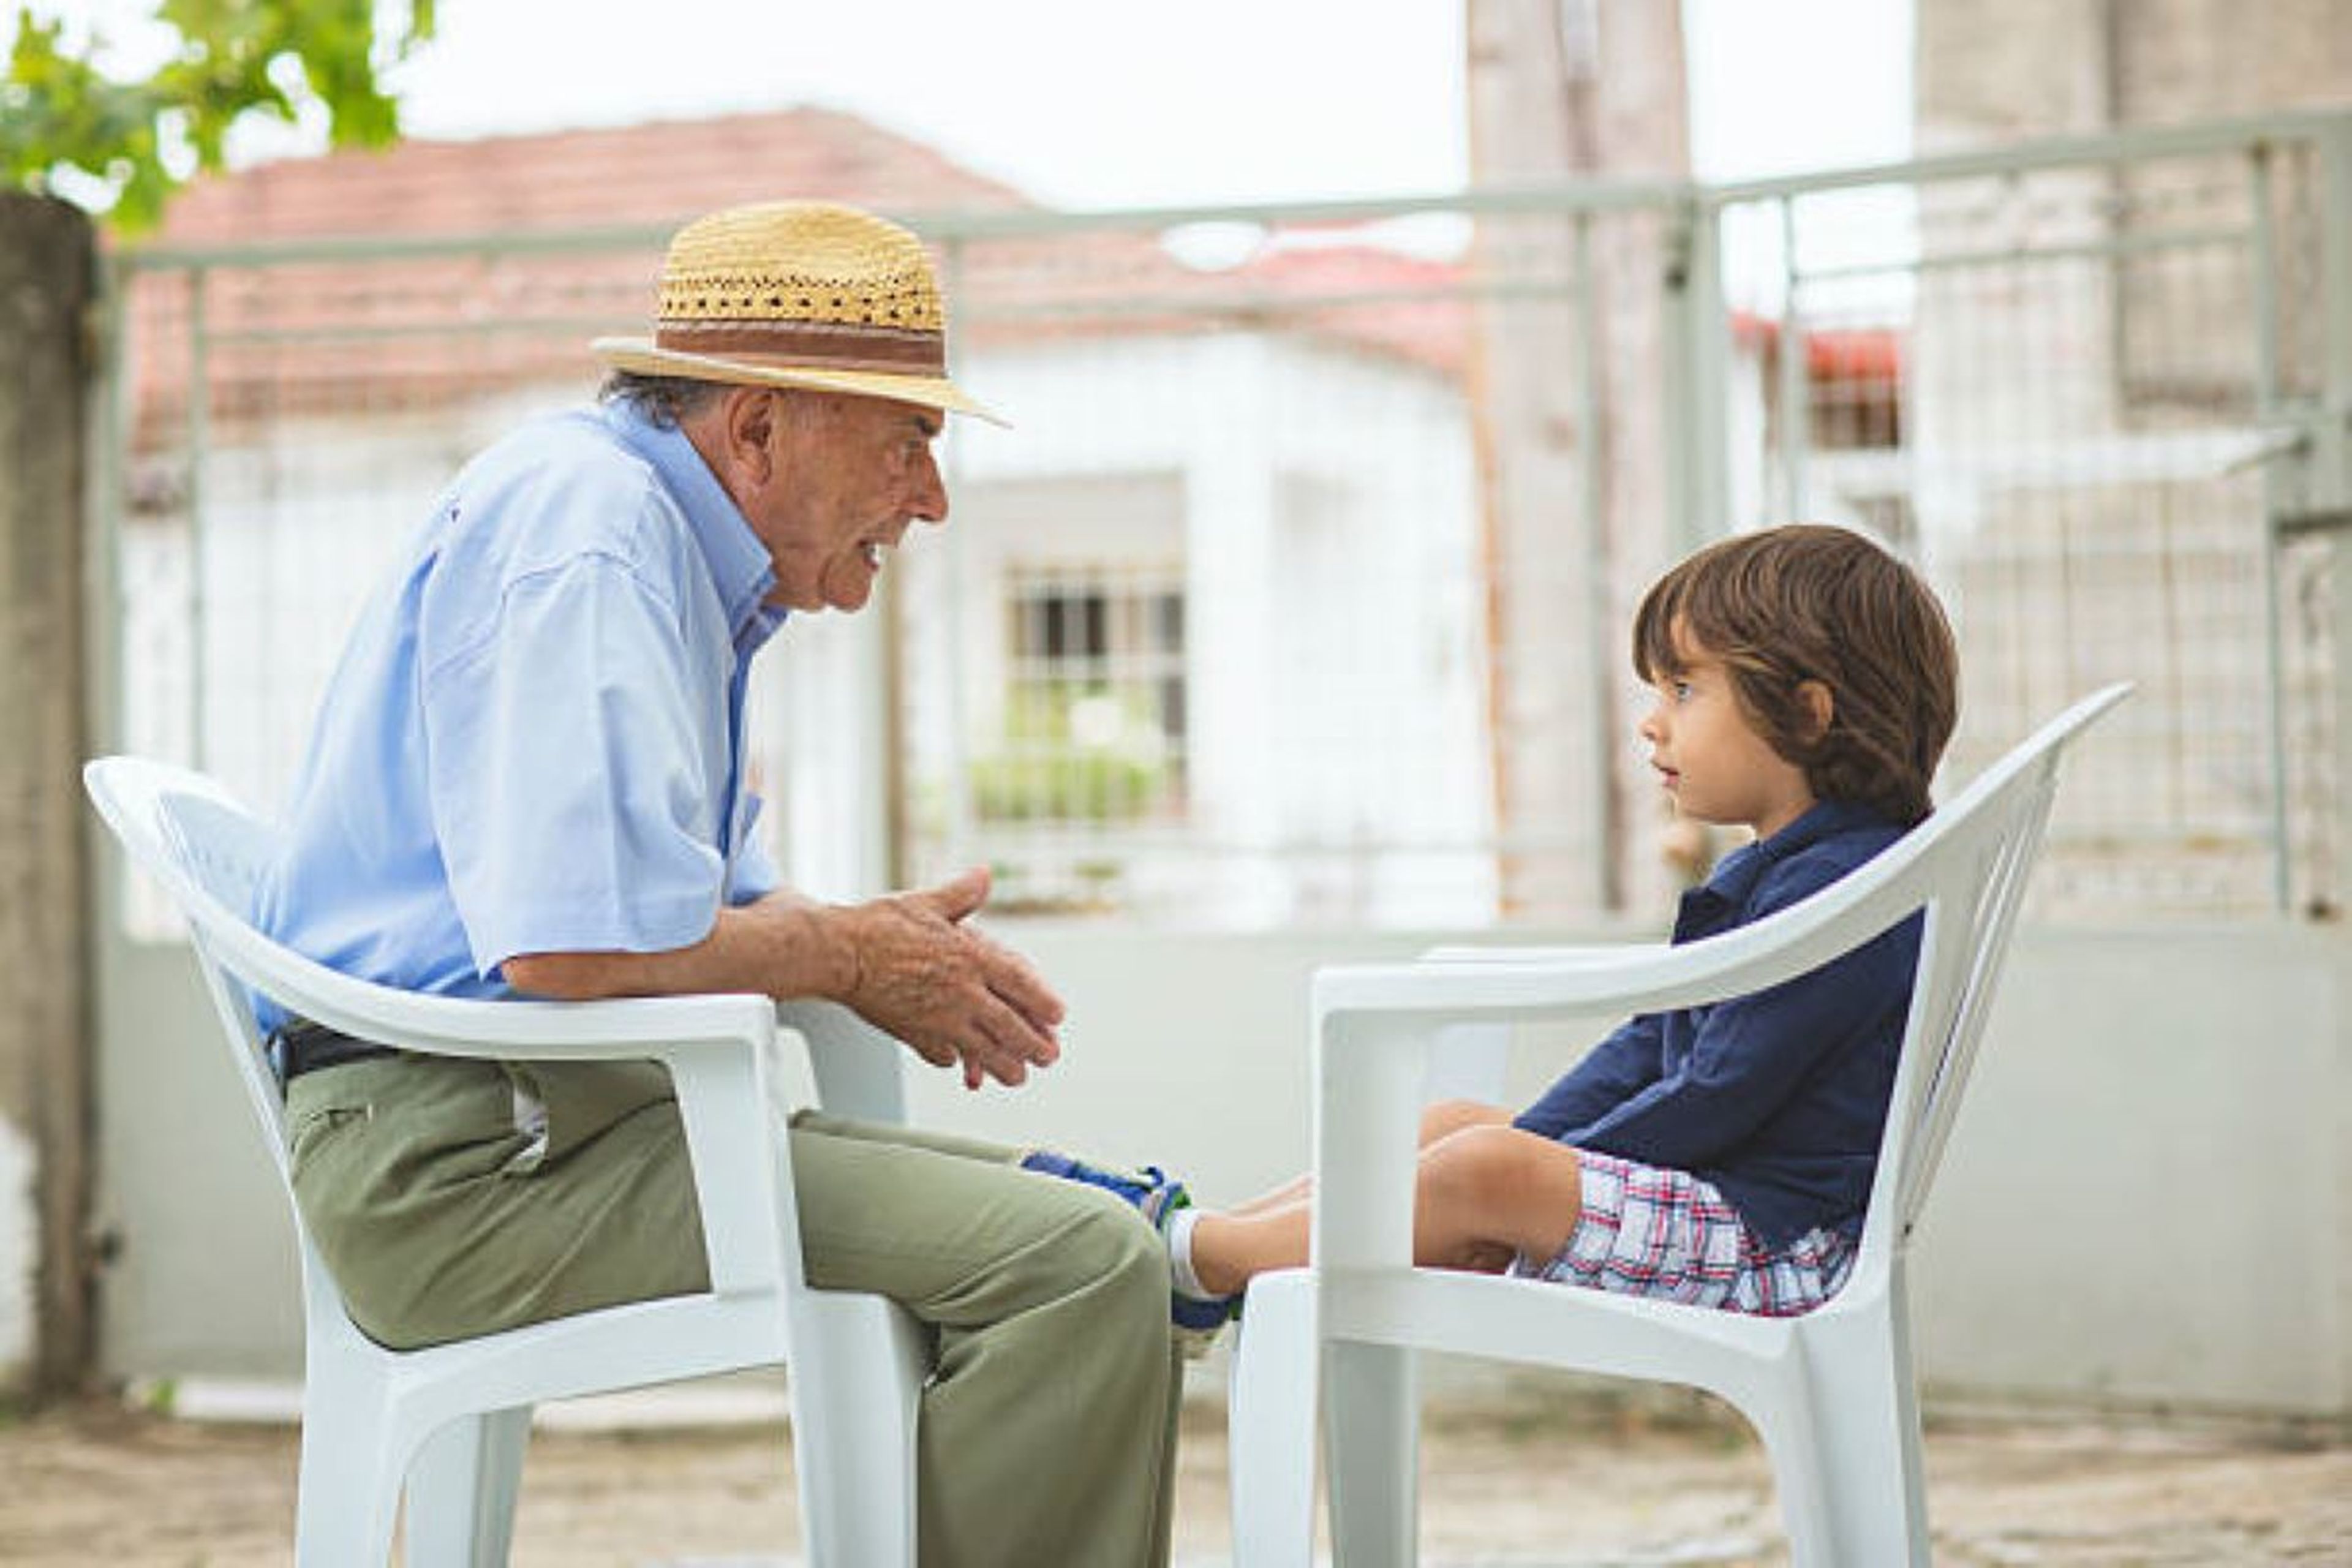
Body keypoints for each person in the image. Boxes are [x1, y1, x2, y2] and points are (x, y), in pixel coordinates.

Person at [254, 200, 1185, 1567]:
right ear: (757, 429)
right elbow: (572, 950)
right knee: (1079, 1267)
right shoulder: (595, 531)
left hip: (562, 1125)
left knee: (1109, 1226)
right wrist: (849, 956)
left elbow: (703, 916)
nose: (930, 496)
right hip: (472, 1166)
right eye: (909, 437)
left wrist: (861, 946)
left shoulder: (657, 542)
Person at [1029, 524, 1960, 1329]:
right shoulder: (1794, 870)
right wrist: (1540, 1159)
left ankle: (1206, 1257)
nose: (1652, 725)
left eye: (1684, 691)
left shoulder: (1847, 888)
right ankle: (1220, 1244)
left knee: (1487, 1165)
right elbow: (1651, 1050)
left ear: (1806, 711)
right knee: (1455, 1126)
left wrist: (1529, 1185)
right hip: (1729, 1210)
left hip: (1780, 1245)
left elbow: (1719, 1089)